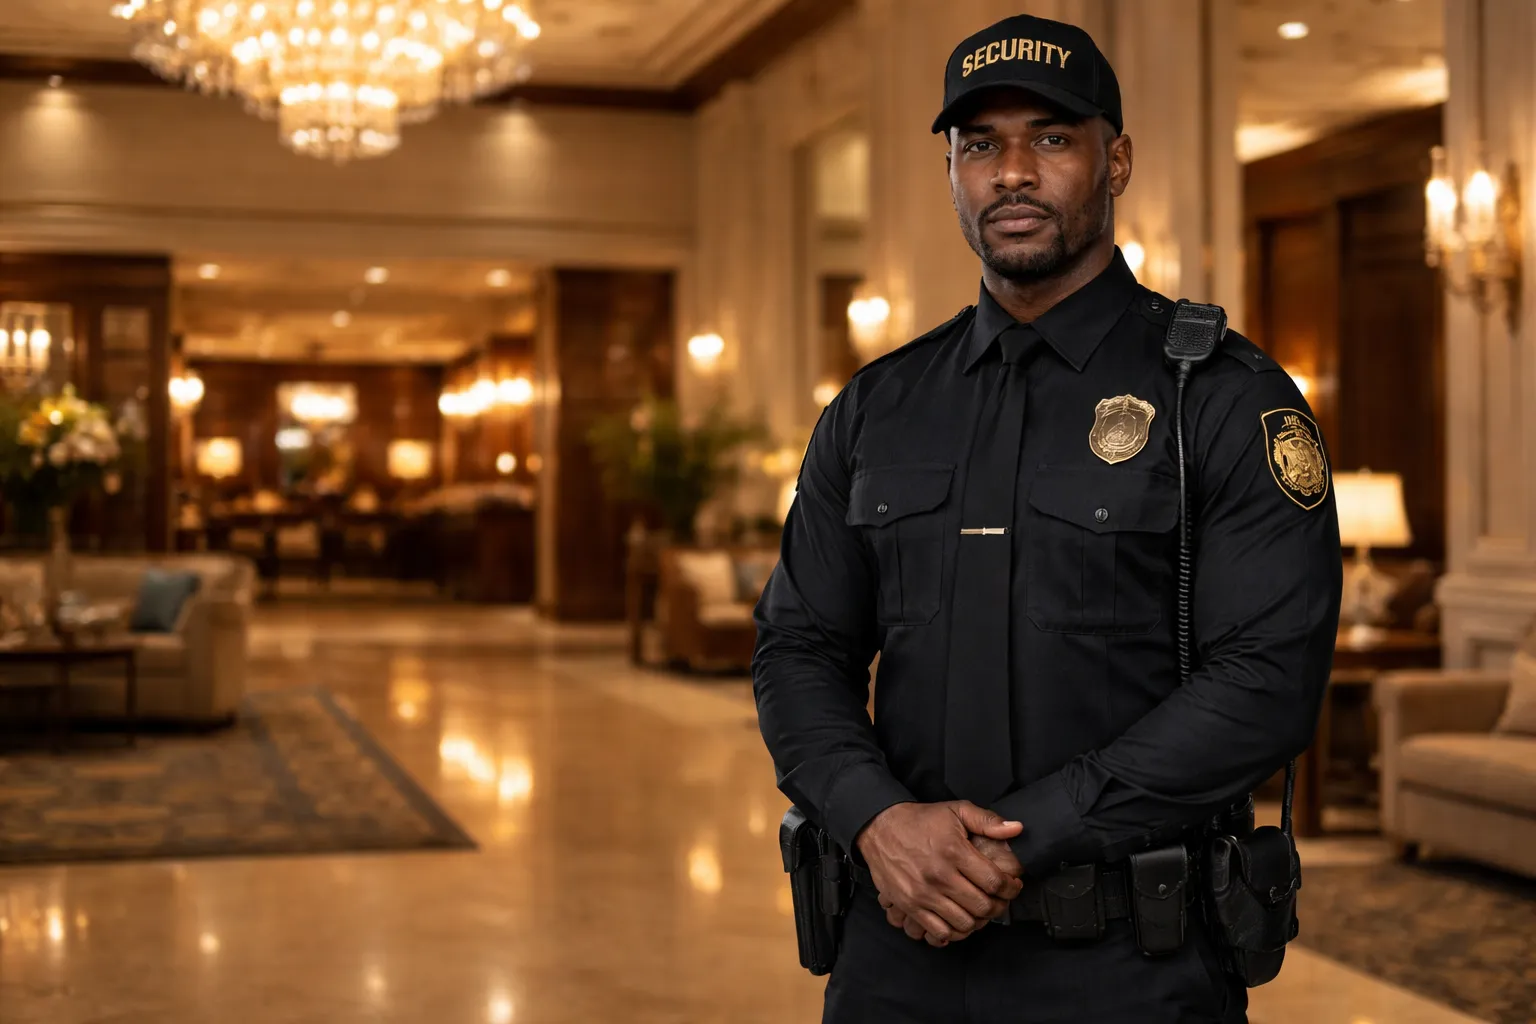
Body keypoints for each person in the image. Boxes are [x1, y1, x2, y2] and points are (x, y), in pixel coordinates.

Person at [752, 12, 1342, 1024]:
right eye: (980, 145)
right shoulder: (879, 405)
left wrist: (1010, 841)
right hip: (896, 950)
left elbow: (1265, 684)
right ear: (950, 170)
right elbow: (798, 646)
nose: (1013, 173)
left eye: (1052, 138)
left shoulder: (1222, 396)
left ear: (1116, 161)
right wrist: (878, 818)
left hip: (1131, 963)